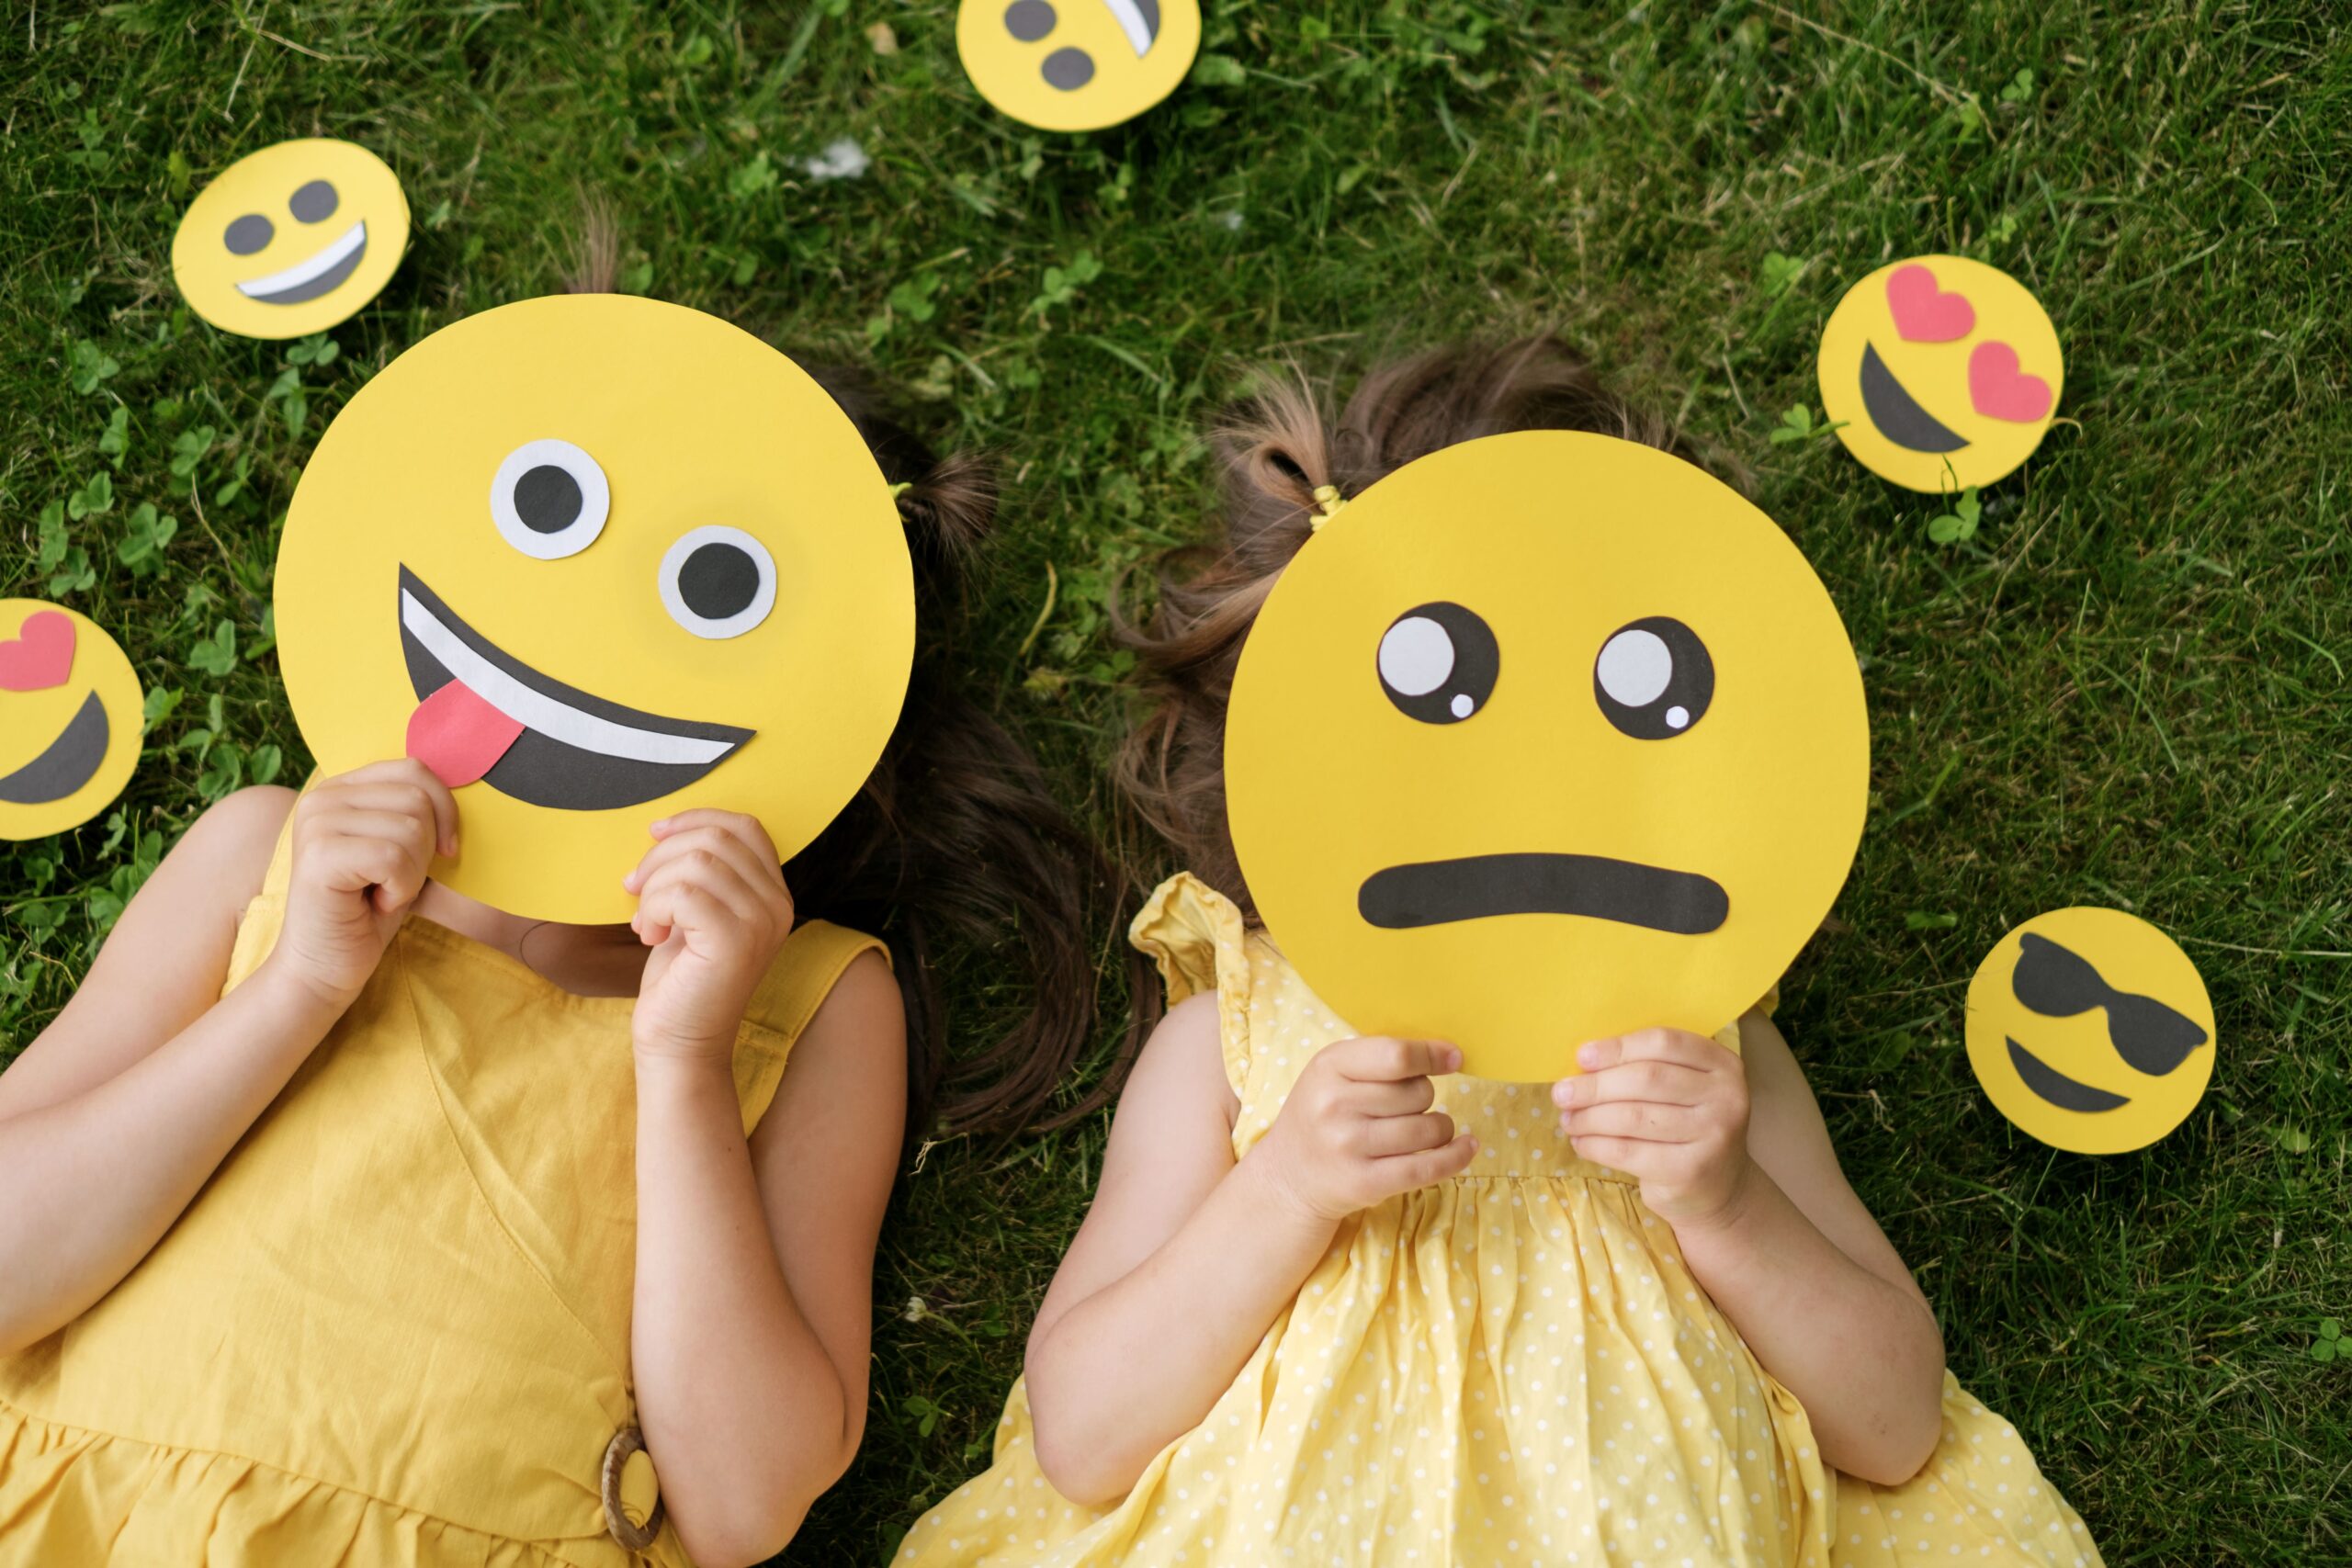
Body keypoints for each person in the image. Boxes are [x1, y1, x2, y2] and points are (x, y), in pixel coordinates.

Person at [895, 339, 2104, 1567]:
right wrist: (1283, 1193)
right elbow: (1085, 1434)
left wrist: (1728, 1203)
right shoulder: (1232, 1040)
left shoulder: (1708, 1047)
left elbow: (1895, 1427)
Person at [0, 320, 1135, 1568]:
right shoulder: (261, 858)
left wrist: (685, 1059)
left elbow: (746, 1502)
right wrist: (298, 989)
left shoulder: (807, 1003)